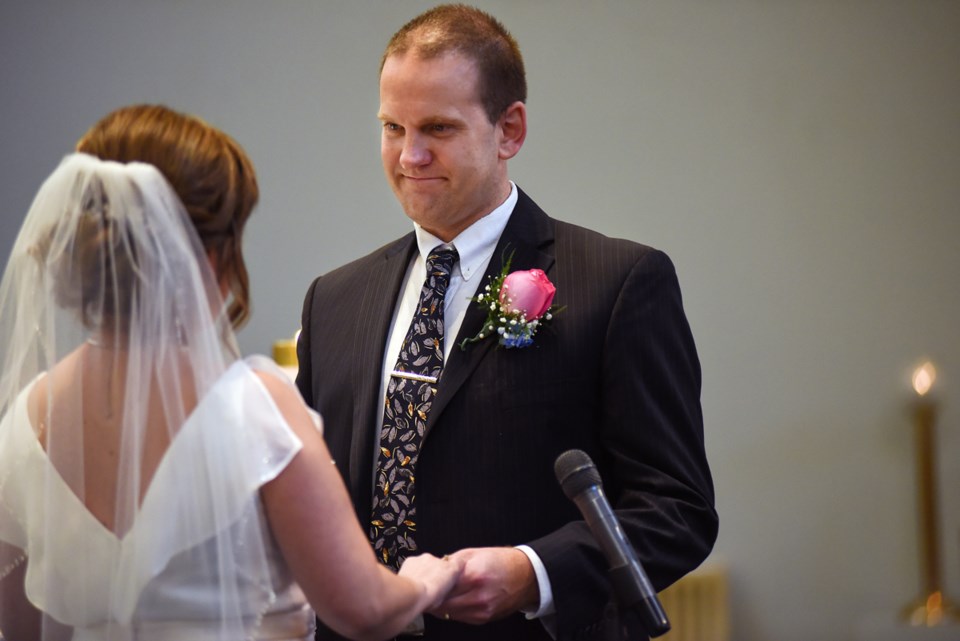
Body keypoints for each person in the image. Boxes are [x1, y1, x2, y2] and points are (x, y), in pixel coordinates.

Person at [296, 4, 718, 641]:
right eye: (392, 127)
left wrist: (533, 572)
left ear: (509, 129)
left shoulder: (618, 282)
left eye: (437, 127)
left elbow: (675, 509)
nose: (409, 155)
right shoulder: (333, 300)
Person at [0, 104, 462, 641]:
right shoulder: (252, 409)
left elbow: (17, 625)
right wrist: (427, 579)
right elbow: (364, 609)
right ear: (211, 255)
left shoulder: (25, 422)